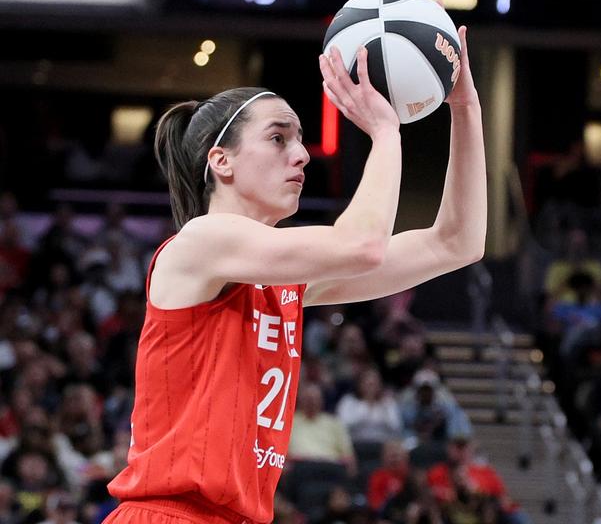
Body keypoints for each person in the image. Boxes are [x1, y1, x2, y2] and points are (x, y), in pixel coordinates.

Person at [103, 33, 487, 524]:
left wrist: (465, 107)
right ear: (221, 161)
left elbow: (457, 243)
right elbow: (362, 246)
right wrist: (386, 134)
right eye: (278, 137)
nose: (302, 154)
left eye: (299, 139)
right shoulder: (200, 243)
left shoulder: (285, 282)